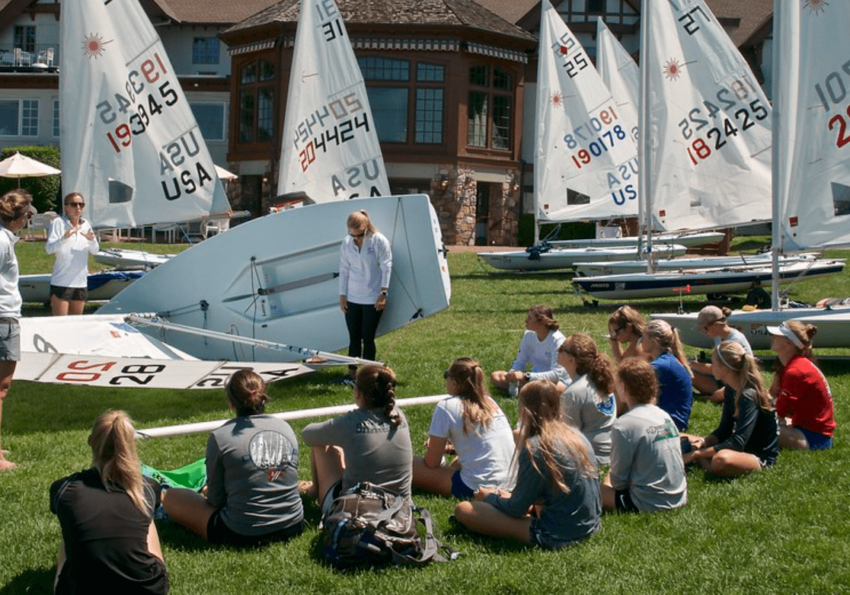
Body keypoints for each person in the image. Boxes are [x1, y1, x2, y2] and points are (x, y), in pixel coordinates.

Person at [162, 370, 305, 546]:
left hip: (241, 532)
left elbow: (216, 500)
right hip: (294, 524)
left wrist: (207, 491)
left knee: (171, 496)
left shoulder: (221, 436)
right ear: (263, 396)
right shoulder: (285, 427)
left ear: (231, 402)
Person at [453, 380, 601, 549]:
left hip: (557, 534)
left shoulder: (536, 447)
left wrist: (488, 497)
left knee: (464, 509)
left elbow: (516, 509)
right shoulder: (577, 436)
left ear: (525, 410)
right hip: (589, 526)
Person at [50, 411, 169, 594]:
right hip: (146, 589)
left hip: (81, 590)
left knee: (70, 523)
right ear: (130, 445)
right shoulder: (147, 487)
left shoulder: (63, 489)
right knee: (144, 511)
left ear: (91, 442)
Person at [301, 364, 413, 515]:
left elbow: (307, 435)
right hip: (401, 512)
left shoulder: (350, 423)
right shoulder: (399, 416)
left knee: (320, 444)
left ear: (357, 392)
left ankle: (314, 489)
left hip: (358, 513)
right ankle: (314, 488)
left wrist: (341, 422)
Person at [412, 358, 515, 498]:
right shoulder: (489, 401)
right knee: (457, 461)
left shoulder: (446, 406)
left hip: (475, 487)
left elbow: (431, 462)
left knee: (409, 464)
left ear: (454, 382)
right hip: (510, 484)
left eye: (446, 375)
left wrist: (435, 449)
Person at [602, 358, 687, 513]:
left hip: (650, 502)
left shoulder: (623, 425)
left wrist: (608, 476)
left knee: (597, 491)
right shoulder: (664, 415)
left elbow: (618, 483)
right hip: (679, 495)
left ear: (623, 387)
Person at [683, 341, 779, 476]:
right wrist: (702, 442)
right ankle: (701, 460)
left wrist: (696, 453)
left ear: (724, 369)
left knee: (721, 459)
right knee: (681, 437)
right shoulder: (730, 389)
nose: (711, 366)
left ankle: (701, 461)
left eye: (714, 362)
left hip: (757, 456)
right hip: (739, 449)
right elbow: (724, 430)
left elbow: (738, 443)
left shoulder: (748, 395)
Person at [337, 209, 392, 386]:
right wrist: (342, 296)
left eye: (359, 235)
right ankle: (351, 375)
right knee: (353, 337)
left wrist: (383, 293)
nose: (356, 239)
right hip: (352, 297)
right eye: (352, 235)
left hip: (372, 297)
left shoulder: (379, 241)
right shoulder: (346, 243)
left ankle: (368, 375)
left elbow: (386, 266)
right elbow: (344, 270)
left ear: (366, 227)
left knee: (367, 337)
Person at [0, 189, 32, 471]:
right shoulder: (1, 241)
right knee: (1, 388)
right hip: (3, 319)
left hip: (5, 318)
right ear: (20, 217)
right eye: (29, 214)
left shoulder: (4, 238)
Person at [767, 321, 836, 450]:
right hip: (813, 432)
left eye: (777, 335)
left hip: (814, 439)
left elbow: (780, 412)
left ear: (788, 343)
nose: (772, 336)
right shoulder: (799, 364)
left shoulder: (795, 371)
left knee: (760, 429)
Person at [557, 333, 617, 465]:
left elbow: (569, 436)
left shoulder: (573, 393)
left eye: (561, 348)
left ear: (571, 359)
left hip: (589, 458)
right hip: (613, 454)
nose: (557, 350)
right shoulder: (603, 380)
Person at [491, 304, 567, 395]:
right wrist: (513, 373)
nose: (526, 321)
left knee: (550, 388)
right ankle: (528, 391)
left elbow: (556, 375)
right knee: (496, 376)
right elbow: (520, 361)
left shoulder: (557, 340)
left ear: (541, 322)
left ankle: (527, 390)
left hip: (554, 382)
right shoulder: (528, 335)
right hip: (533, 378)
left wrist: (525, 376)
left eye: (530, 318)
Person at [45, 192, 99, 316]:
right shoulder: (58, 223)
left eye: (81, 204)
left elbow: (95, 250)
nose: (78, 208)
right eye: (74, 204)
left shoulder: (86, 224)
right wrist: (64, 238)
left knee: (76, 326)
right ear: (66, 207)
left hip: (80, 283)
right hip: (61, 282)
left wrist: (92, 240)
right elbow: (49, 249)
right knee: (60, 326)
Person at [690, 306, 753, 403]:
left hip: (735, 383)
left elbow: (716, 370)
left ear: (715, 325)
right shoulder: (718, 337)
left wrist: (691, 364)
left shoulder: (734, 341)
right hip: (723, 379)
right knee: (689, 371)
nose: (704, 332)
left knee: (689, 371)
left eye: (705, 328)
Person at [642, 319, 693, 432]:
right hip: (675, 420)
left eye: (644, 338)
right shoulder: (668, 360)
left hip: (670, 425)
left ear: (654, 341)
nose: (641, 342)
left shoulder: (659, 366)